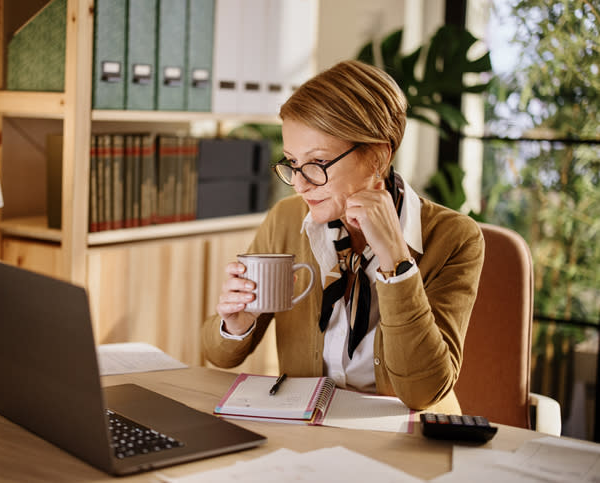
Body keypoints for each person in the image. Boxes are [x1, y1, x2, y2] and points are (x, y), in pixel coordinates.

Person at [201, 60, 485, 413]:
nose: (301, 184)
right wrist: (236, 323)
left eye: (317, 163)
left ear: (378, 157)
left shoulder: (455, 237)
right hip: (307, 429)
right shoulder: (288, 219)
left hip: (405, 439)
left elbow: (423, 391)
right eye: (292, 162)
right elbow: (218, 355)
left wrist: (396, 260)